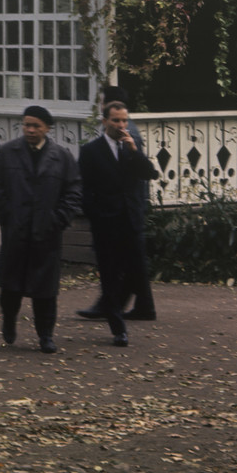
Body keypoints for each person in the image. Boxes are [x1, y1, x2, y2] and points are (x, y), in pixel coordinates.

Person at [0, 105, 82, 353]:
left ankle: (45, 335)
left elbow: (73, 192)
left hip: (46, 233)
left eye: (35, 126)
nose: (30, 130)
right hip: (15, 231)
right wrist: (7, 216)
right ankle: (9, 321)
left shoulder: (61, 156)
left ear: (47, 128)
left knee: (45, 291)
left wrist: (58, 219)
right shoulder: (7, 153)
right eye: (27, 125)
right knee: (10, 287)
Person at [79, 101, 162, 346]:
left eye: (124, 120)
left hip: (131, 220)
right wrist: (95, 216)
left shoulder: (130, 149)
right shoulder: (91, 151)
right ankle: (118, 328)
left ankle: (132, 308)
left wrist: (135, 151)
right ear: (104, 122)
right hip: (106, 222)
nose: (121, 125)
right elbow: (84, 189)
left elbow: (150, 174)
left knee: (136, 269)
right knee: (110, 274)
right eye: (116, 120)